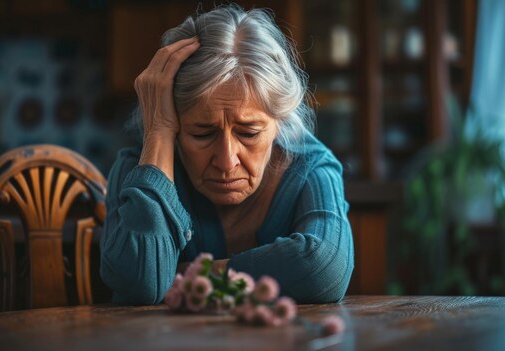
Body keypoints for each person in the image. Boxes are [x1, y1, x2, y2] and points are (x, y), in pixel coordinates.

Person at [100, 4, 354, 305]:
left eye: (248, 133)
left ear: (280, 122)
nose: (226, 161)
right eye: (202, 134)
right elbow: (140, 285)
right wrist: (158, 132)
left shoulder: (309, 167)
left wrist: (193, 278)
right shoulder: (135, 168)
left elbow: (323, 270)